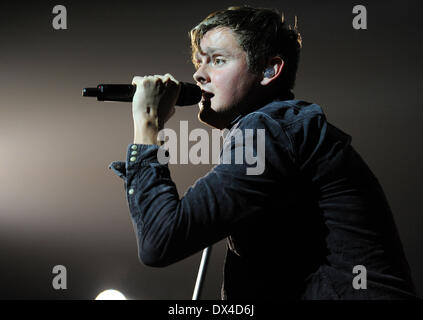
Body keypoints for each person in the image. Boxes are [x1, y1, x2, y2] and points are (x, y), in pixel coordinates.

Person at [109, 6, 417, 299]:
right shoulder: (269, 132)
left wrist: (148, 120)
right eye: (198, 62)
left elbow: (160, 241)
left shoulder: (271, 128)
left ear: (269, 70)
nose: (199, 75)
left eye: (217, 60)